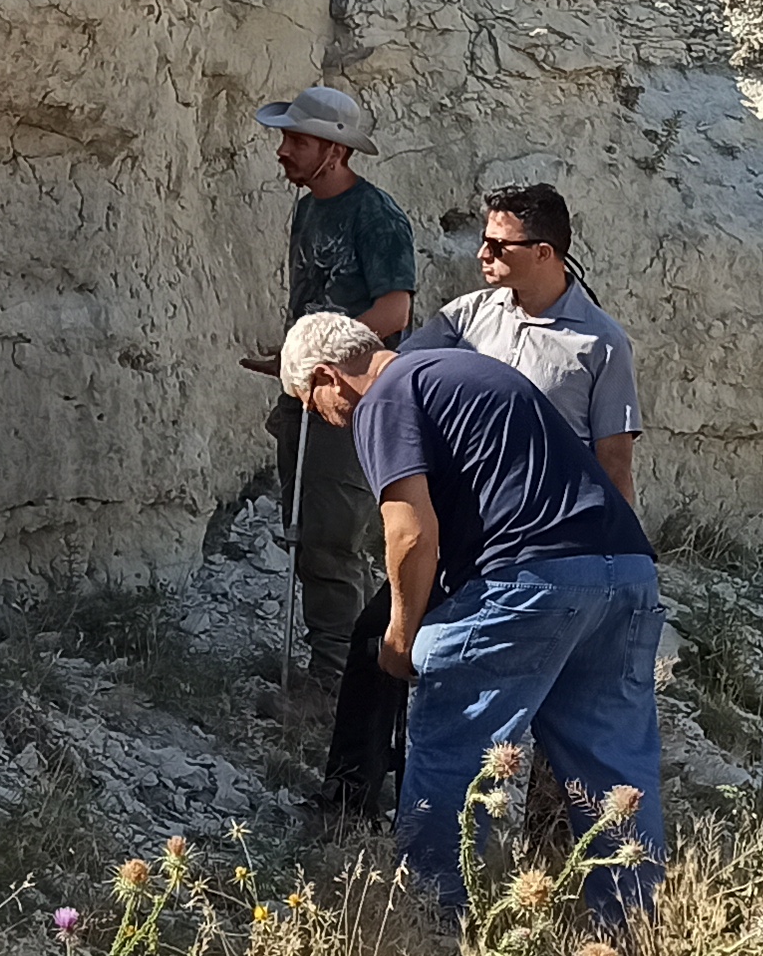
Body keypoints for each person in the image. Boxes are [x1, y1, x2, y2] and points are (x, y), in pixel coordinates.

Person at [281, 309, 665, 919]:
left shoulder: (385, 396)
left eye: (308, 401)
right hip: (626, 572)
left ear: (328, 376)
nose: (317, 416)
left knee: (451, 758)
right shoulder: (464, 370)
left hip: (530, 583)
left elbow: (409, 533)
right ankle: (634, 934)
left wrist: (400, 638)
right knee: (615, 776)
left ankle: (432, 927)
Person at [226, 86, 412, 810]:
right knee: (304, 524)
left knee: (333, 530)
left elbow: (394, 311)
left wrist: (326, 360)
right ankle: (328, 659)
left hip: (349, 393)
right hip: (312, 383)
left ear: (334, 148)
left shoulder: (377, 216)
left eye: (298, 141)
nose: (284, 151)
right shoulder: (308, 209)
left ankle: (337, 674)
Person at [426, 182, 639, 509]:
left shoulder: (603, 343)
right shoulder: (464, 316)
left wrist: (622, 551)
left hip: (550, 525)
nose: (483, 254)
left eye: (498, 246)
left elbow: (614, 465)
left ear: (543, 252)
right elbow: (401, 374)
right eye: (485, 242)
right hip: (464, 512)